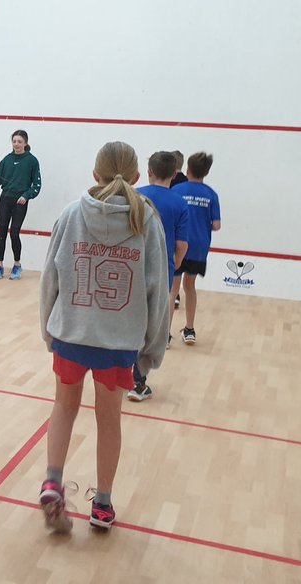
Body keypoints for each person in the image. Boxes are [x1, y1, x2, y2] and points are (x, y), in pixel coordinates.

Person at [37, 141, 169, 532]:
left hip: (70, 337)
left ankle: (52, 483)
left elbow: (50, 278)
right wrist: (151, 352)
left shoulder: (71, 214)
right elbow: (158, 292)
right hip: (118, 344)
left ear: (94, 174)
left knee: (63, 407)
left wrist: (50, 331)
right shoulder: (147, 221)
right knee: (109, 420)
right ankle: (103, 507)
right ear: (137, 178)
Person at [128, 151, 190, 402]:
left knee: (128, 322)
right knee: (150, 329)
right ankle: (138, 382)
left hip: (129, 270)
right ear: (174, 174)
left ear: (149, 171)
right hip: (160, 272)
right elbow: (182, 245)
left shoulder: (134, 195)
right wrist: (174, 265)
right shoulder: (179, 202)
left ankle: (117, 373)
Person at [171, 152, 221, 345]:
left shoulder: (176, 190)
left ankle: (165, 335)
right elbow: (216, 225)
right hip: (199, 248)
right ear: (206, 172)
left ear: (187, 169)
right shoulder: (211, 194)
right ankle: (190, 330)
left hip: (178, 246)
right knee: (189, 286)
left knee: (172, 289)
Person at [0, 130, 42, 280]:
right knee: (1, 233)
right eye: (14, 141)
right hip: (5, 200)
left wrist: (26, 195)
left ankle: (17, 265)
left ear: (25, 143)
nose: (16, 144)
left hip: (20, 202)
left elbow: (36, 185)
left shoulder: (32, 161)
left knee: (14, 233)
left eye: (19, 141)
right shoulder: (6, 160)